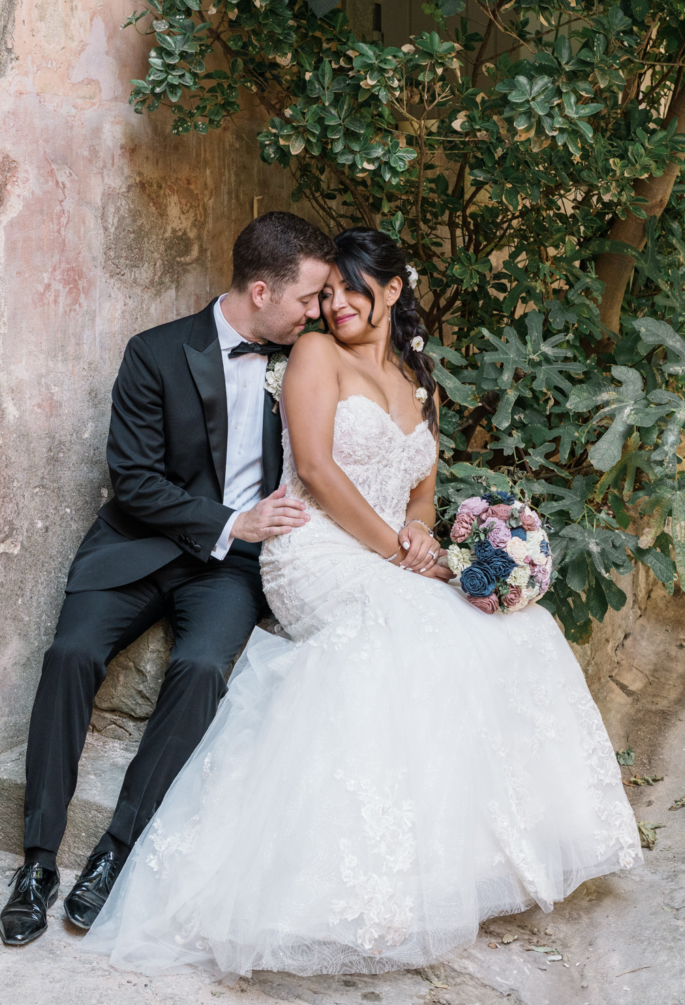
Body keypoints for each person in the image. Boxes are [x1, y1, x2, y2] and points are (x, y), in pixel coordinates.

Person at [83, 228, 640, 976]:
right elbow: (313, 466)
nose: (336, 304)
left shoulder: (420, 379)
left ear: (394, 289)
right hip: (313, 548)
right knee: (411, 628)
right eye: (329, 290)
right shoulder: (316, 354)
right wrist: (394, 548)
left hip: (383, 546)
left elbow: (423, 489)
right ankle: (361, 887)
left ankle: (468, 862)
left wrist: (419, 532)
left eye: (351, 288)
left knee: (522, 631)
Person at [0, 212, 337, 946]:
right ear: (259, 290)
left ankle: (115, 850)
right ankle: (36, 859)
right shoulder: (154, 353)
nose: (317, 312)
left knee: (200, 666)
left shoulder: (307, 360)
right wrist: (230, 520)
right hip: (139, 544)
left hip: (233, 570)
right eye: (307, 297)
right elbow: (136, 481)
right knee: (70, 655)